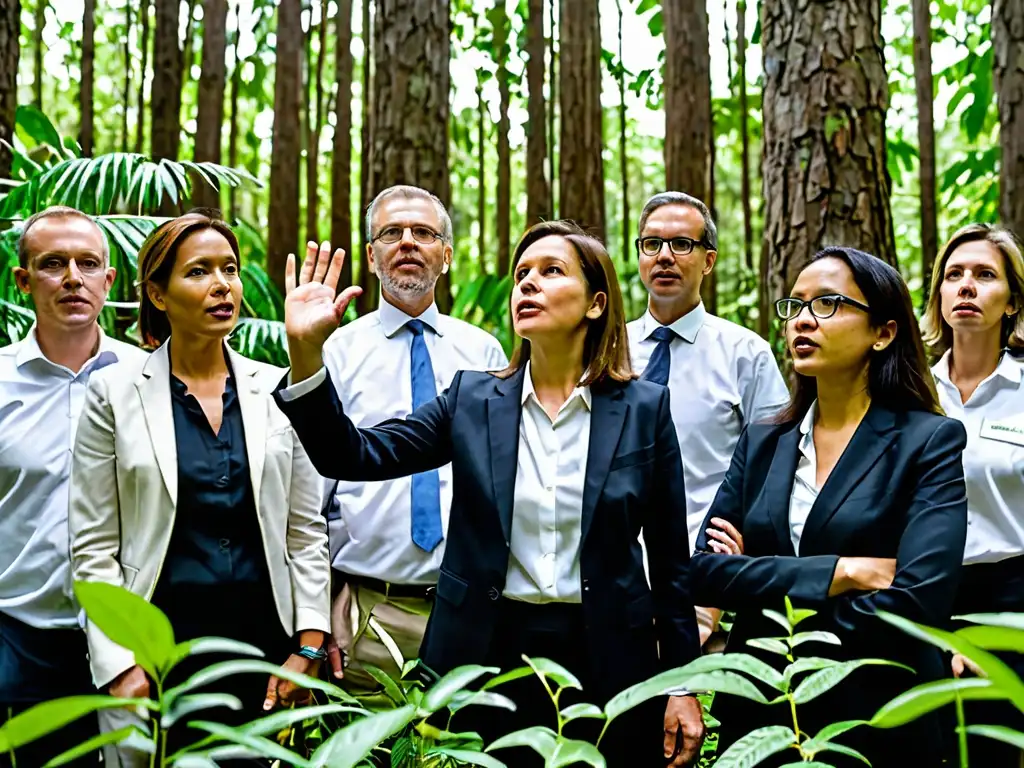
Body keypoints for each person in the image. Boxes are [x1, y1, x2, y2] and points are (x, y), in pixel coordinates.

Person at [274, 220, 705, 766]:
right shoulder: (473, 398)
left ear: (596, 304)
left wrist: (681, 683)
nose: (528, 284)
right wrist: (307, 355)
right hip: (488, 660)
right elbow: (355, 455)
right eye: (522, 273)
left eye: (551, 272)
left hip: (612, 660)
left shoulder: (645, 409)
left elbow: (670, 562)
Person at [68, 212, 331, 766]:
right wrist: (118, 666)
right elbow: (93, 548)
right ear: (158, 295)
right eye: (198, 272)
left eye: (230, 269)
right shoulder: (113, 393)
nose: (221, 285)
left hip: (264, 658)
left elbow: (305, 533)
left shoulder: (278, 390)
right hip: (155, 658)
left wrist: (308, 646)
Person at [691, 247, 968, 767]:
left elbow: (918, 603)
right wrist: (844, 571)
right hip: (765, 712)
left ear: (883, 333)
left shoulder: (928, 442)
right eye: (795, 305)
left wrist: (760, 582)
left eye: (827, 304)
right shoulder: (763, 441)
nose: (802, 319)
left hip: (883, 713)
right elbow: (706, 574)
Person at [317, 185, 507, 697]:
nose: (407, 243)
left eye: (423, 233)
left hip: (468, 611)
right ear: (371, 256)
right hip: (366, 613)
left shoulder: (484, 352)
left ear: (445, 255)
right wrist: (317, 615)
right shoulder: (337, 351)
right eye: (391, 233)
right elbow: (309, 497)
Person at [0, 207, 147, 767]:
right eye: (52, 264)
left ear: (109, 282)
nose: (71, 278)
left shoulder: (148, 378)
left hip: (128, 635)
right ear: (23, 281)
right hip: (20, 634)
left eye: (88, 264)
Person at [627, 192, 788, 646]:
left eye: (681, 244)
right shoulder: (607, 353)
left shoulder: (745, 354)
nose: (664, 257)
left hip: (708, 585)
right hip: (614, 586)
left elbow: (774, 469)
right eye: (651, 244)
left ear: (708, 260)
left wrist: (734, 567)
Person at [922, 223, 1024, 765]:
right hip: (916, 598)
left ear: (1012, 300)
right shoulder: (909, 391)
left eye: (985, 275)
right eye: (954, 275)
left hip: (1011, 601)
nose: (966, 286)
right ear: (938, 295)